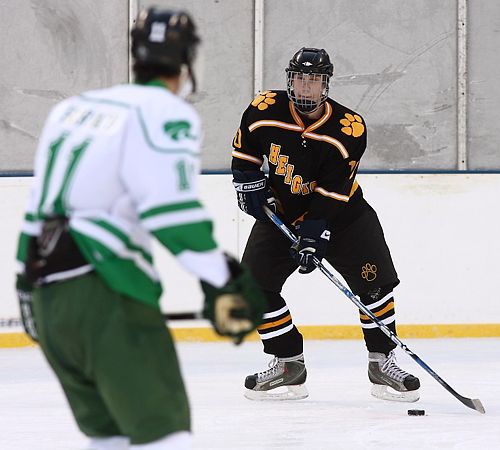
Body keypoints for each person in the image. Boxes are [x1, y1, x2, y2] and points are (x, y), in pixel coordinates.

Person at [15, 8, 266, 450]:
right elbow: (171, 214)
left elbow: (36, 210)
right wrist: (223, 278)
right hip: (107, 294)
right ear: (187, 61)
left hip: (49, 300)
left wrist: (25, 288)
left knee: (110, 438)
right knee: (163, 437)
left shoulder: (72, 110)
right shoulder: (165, 112)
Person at [231, 47, 420, 402]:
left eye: (314, 80)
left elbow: (334, 191)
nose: (306, 87)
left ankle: (382, 361)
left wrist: (315, 233)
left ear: (326, 85)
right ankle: (288, 364)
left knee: (375, 286)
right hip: (282, 214)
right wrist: (247, 183)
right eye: (300, 79)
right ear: (290, 80)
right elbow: (244, 153)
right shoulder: (263, 109)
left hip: (344, 216)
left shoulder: (348, 127)